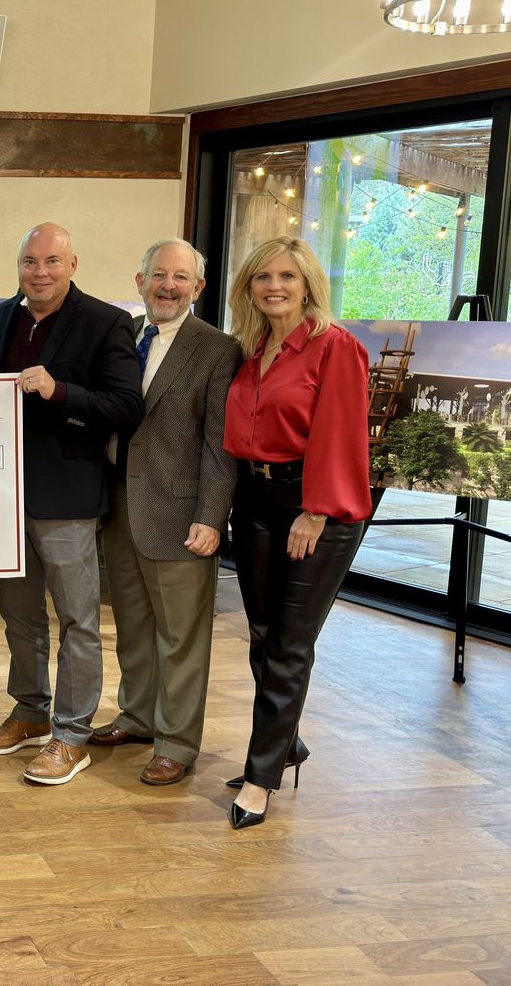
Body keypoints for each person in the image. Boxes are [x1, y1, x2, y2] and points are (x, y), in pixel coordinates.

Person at [0, 222, 144, 785]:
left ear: (73, 264)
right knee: (19, 616)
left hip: (68, 498)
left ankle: (72, 734)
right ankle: (30, 711)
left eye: (51, 261)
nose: (39, 272)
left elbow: (125, 407)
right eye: (29, 261)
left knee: (77, 620)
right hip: (5, 495)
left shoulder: (105, 321)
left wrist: (58, 391)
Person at [222, 236, 370, 829]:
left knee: (289, 642)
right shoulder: (251, 349)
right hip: (253, 499)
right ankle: (288, 743)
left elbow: (340, 435)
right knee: (261, 633)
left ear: (308, 283)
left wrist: (315, 511)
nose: (274, 286)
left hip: (315, 506)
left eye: (287, 275)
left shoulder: (337, 349)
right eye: (262, 277)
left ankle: (261, 776)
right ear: (250, 288)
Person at [91, 239, 242, 785]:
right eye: (159, 275)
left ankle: (177, 742)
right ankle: (137, 715)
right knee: (132, 624)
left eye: (181, 278)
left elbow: (219, 444)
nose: (168, 286)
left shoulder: (219, 349)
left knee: (181, 634)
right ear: (140, 281)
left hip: (182, 515)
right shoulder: (128, 335)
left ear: (198, 288)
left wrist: (211, 516)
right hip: (120, 503)